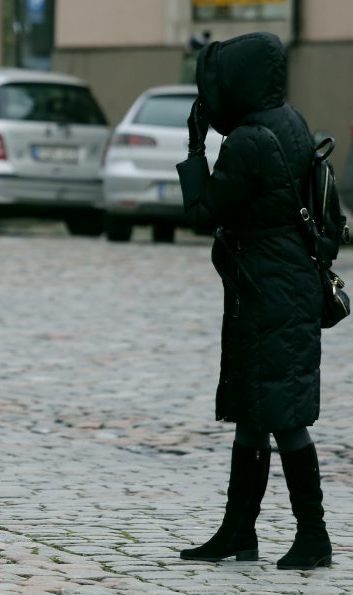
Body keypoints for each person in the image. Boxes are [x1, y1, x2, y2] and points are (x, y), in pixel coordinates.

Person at [176, 32, 332, 570]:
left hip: (269, 291)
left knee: (283, 415)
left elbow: (203, 212)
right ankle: (238, 532)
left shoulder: (247, 140)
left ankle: (314, 537)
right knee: (253, 411)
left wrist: (196, 148)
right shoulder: (288, 121)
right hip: (279, 285)